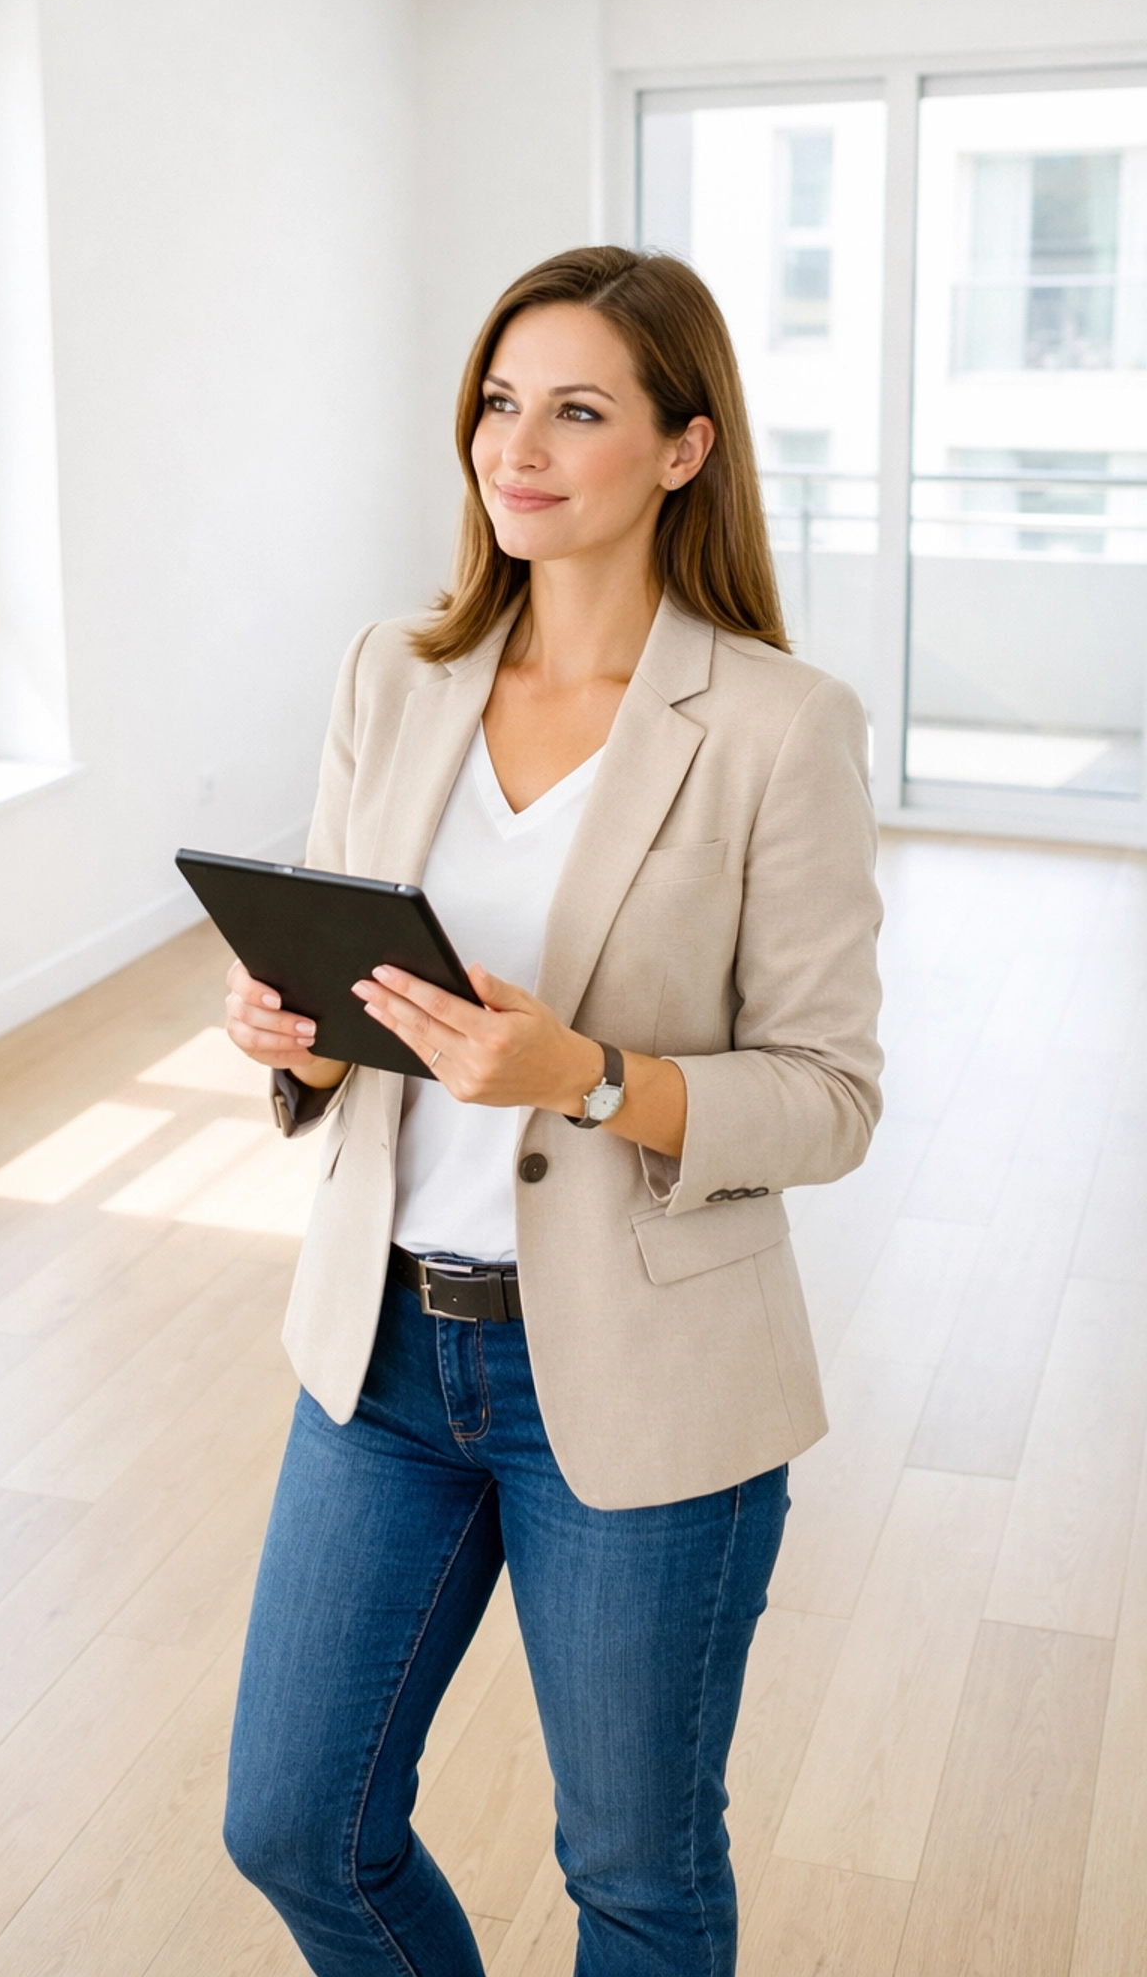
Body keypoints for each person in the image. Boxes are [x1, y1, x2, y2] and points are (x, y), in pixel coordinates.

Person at [220, 245, 883, 1977]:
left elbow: (830, 1097)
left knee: (639, 1883)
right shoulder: (396, 672)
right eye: (499, 405)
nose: (517, 447)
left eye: (578, 410)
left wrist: (587, 1075)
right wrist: (292, 1042)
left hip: (640, 1376)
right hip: (378, 1358)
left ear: (684, 448)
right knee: (294, 1822)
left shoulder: (776, 726)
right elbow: (362, 1013)